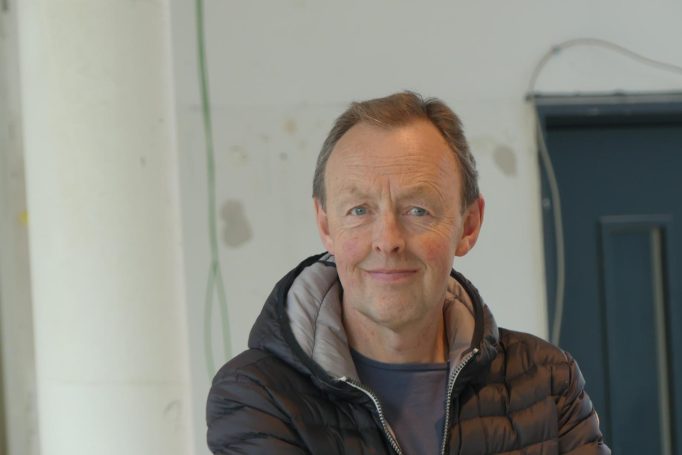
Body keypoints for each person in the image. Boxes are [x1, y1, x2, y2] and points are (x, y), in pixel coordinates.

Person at [206, 92, 610, 454]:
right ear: (326, 225)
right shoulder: (257, 395)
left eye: (418, 210)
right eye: (359, 210)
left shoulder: (546, 380)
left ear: (469, 225)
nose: (388, 240)